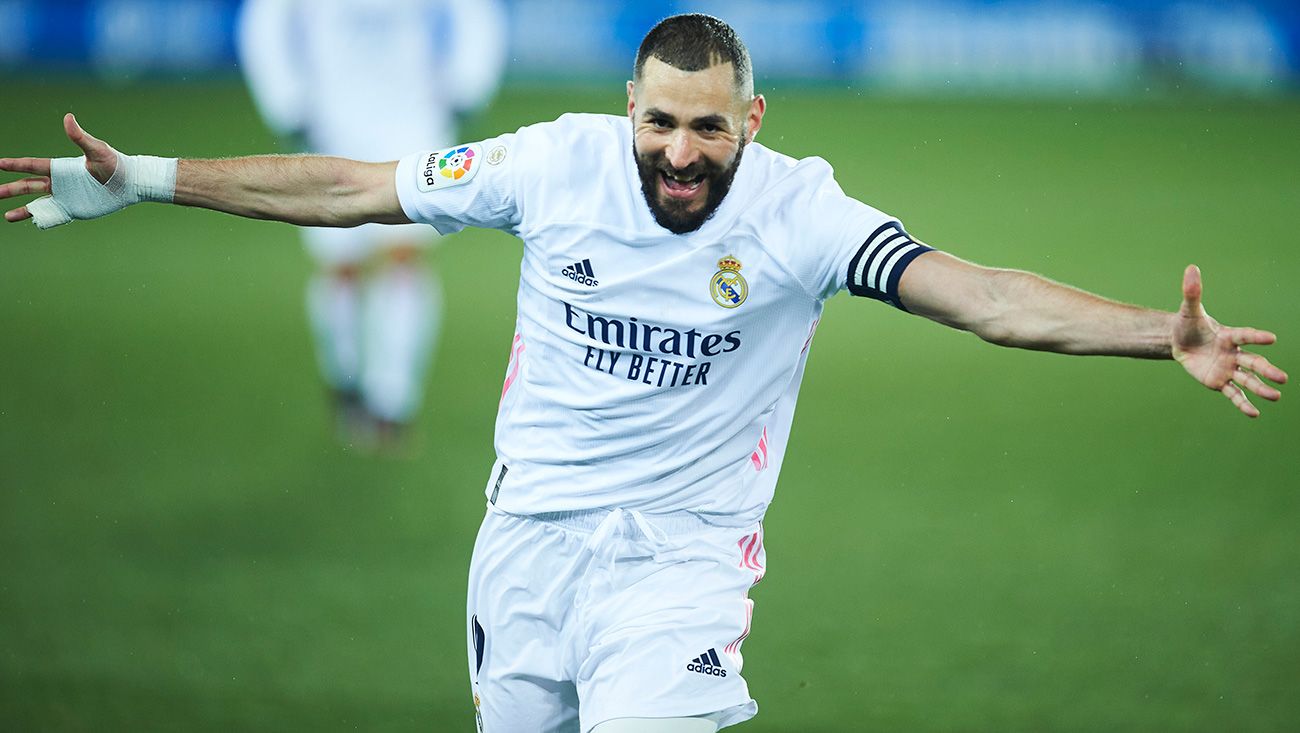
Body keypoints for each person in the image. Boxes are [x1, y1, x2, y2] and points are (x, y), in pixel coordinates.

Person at [0, 13, 1286, 733]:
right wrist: (151, 180)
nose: (680, 152)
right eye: (659, 121)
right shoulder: (548, 163)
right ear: (629, 107)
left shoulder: (800, 214)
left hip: (677, 567)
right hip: (522, 549)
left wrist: (1148, 331)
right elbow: (352, 185)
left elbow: (983, 296)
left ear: (753, 120)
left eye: (708, 126)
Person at [236, 0, 507, 448]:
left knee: (405, 257)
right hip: (332, 120)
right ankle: (345, 385)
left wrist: (465, 86)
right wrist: (286, 100)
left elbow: (476, 15)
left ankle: (394, 401)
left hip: (412, 120)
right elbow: (266, 22)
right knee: (341, 265)